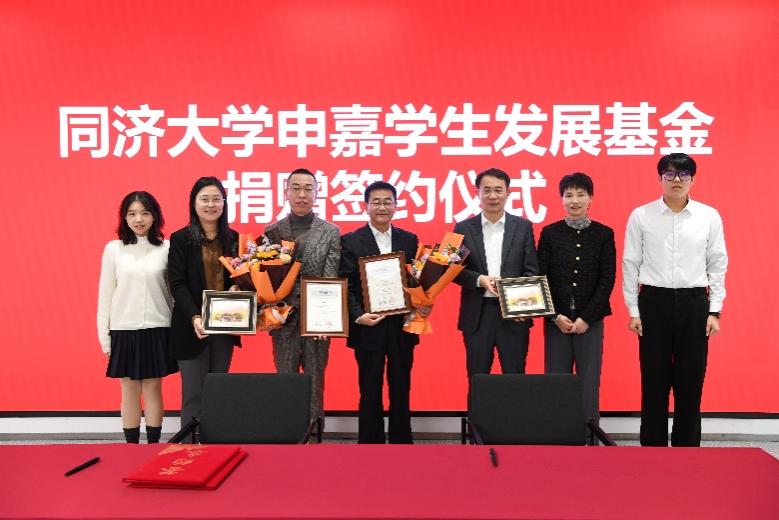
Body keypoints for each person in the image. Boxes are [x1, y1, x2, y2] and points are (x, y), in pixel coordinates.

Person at [623, 153, 728, 447]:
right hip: (653, 302)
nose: (676, 180)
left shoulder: (709, 216)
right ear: (660, 179)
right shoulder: (641, 215)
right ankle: (652, 448)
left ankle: (687, 449)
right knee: (653, 379)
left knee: (691, 380)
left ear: (692, 179)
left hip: (695, 303)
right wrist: (633, 310)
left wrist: (715, 310)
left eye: (683, 174)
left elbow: (718, 264)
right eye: (669, 174)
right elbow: (630, 264)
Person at [339, 181, 428, 444]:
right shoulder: (350, 241)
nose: (382, 207)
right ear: (366, 206)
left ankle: (402, 442)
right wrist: (358, 316)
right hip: (369, 325)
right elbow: (346, 284)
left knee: (401, 387)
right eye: (376, 202)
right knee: (369, 388)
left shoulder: (409, 240)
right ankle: (370, 443)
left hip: (402, 326)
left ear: (396, 206)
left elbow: (416, 280)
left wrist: (421, 302)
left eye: (387, 201)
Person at [97, 191, 178, 443]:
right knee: (129, 388)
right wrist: (105, 339)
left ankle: (153, 446)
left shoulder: (167, 248)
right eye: (131, 214)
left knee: (153, 387)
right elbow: (105, 296)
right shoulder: (114, 249)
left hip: (158, 326)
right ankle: (130, 448)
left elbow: (174, 295)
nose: (138, 219)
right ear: (124, 217)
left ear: (155, 217)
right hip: (123, 328)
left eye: (144, 213)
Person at [263, 168, 340, 426]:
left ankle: (314, 436)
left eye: (308, 189)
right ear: (286, 192)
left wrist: (326, 320)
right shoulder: (272, 231)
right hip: (283, 319)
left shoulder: (330, 231)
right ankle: (287, 434)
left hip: (317, 321)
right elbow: (266, 278)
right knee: (285, 381)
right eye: (296, 188)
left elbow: (330, 276)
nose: (302, 194)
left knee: (315, 381)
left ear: (317, 194)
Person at [537, 173, 615, 424]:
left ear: (590, 198)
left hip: (590, 322)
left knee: (589, 382)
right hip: (556, 321)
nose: (575, 200)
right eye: (568, 195)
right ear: (561, 199)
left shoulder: (604, 234)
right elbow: (540, 278)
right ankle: (556, 432)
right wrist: (554, 316)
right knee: (556, 380)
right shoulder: (550, 233)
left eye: (581, 194)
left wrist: (587, 318)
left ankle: (589, 433)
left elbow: (606, 280)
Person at [453, 167, 539, 381]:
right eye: (487, 190)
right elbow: (452, 271)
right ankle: (478, 407)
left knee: (515, 378)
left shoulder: (523, 227)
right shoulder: (462, 228)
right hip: (478, 314)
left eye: (498, 190)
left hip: (514, 315)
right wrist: (479, 279)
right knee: (478, 378)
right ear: (477, 193)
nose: (492, 196)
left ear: (508, 193)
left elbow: (531, 269)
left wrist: (523, 306)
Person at [168, 177, 240, 429]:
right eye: (205, 199)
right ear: (194, 203)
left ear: (224, 203)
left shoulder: (234, 239)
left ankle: (216, 444)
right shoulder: (180, 239)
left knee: (218, 392)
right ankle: (189, 445)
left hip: (225, 324)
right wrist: (195, 317)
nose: (211, 204)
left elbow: (243, 278)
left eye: (216, 199)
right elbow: (177, 283)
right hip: (192, 327)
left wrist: (238, 288)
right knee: (193, 394)